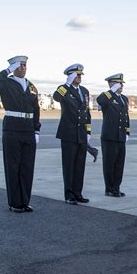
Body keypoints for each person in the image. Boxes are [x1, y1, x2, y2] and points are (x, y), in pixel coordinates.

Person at [0, 55, 41, 213]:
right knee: (13, 167)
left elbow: (36, 108)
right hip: (12, 129)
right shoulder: (6, 83)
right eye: (19, 65)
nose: (23, 68)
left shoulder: (31, 86)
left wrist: (36, 129)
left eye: (25, 65)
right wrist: (7, 70)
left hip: (28, 130)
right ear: (13, 67)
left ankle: (25, 201)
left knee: (27, 167)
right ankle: (15, 203)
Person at [53, 64, 91, 205]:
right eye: (77, 75)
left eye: (80, 75)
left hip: (81, 133)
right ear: (70, 76)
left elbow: (86, 112)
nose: (79, 77)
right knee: (69, 165)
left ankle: (78, 193)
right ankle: (69, 194)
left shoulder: (85, 91)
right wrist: (67, 84)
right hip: (68, 133)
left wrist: (88, 130)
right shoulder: (63, 89)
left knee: (80, 165)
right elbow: (56, 97)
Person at [96, 73, 130, 197]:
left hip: (120, 136)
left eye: (121, 84)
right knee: (109, 164)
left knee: (119, 164)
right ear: (111, 84)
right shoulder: (107, 96)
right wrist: (111, 90)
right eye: (118, 83)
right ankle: (109, 188)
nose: (121, 86)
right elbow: (100, 101)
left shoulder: (124, 98)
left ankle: (116, 187)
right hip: (109, 136)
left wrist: (127, 131)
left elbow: (126, 116)